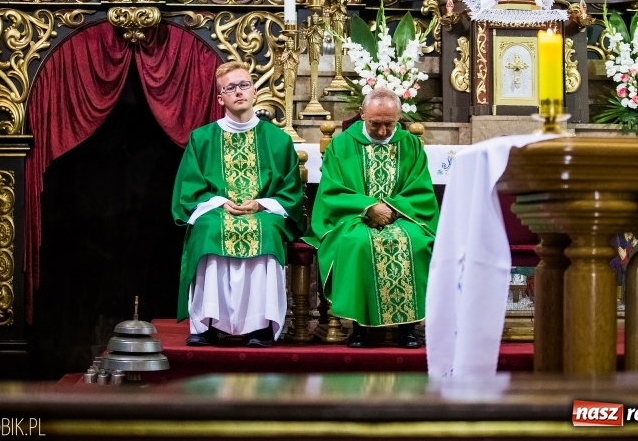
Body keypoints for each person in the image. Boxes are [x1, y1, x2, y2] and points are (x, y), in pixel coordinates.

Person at [172, 61, 304, 348]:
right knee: (208, 229)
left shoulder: (277, 140)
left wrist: (262, 203)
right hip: (217, 210)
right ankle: (205, 324)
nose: (238, 92)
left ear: (255, 92)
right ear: (221, 98)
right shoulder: (202, 138)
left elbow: (291, 191)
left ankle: (261, 326)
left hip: (263, 211)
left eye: (244, 85)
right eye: (230, 88)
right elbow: (189, 190)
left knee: (267, 230)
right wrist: (218, 202)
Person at [308, 88, 439, 348]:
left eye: (389, 124)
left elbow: (421, 190)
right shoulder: (342, 145)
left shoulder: (410, 145)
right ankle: (359, 327)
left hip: (403, 217)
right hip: (354, 218)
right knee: (357, 243)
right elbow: (332, 191)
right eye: (375, 123)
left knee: (414, 241)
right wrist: (368, 207)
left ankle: (408, 329)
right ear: (362, 115)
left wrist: (392, 208)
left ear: (399, 118)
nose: (382, 131)